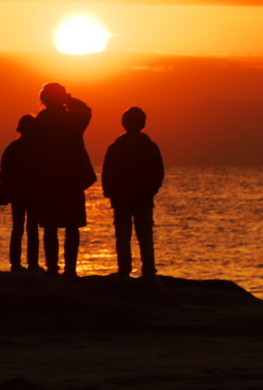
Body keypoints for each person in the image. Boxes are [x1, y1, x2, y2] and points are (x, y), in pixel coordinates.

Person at [32, 82, 96, 278]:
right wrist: (69, 99)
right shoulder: (72, 119)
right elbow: (86, 110)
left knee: (50, 226)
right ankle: (70, 270)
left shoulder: (41, 121)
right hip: (72, 178)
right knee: (71, 226)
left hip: (49, 177)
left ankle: (52, 269)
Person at [101, 106, 165, 278]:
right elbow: (158, 172)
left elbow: (107, 172)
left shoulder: (115, 147)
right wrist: (151, 190)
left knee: (123, 236)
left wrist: (109, 191)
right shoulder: (150, 146)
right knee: (145, 236)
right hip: (143, 197)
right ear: (143, 123)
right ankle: (149, 272)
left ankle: (124, 271)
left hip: (121, 198)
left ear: (123, 123)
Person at [0, 114, 41, 272]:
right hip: (34, 193)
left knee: (18, 228)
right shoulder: (39, 149)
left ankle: (16, 264)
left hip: (18, 193)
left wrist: (4, 192)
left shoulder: (13, 148)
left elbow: (4, 174)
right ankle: (32, 264)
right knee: (32, 229)